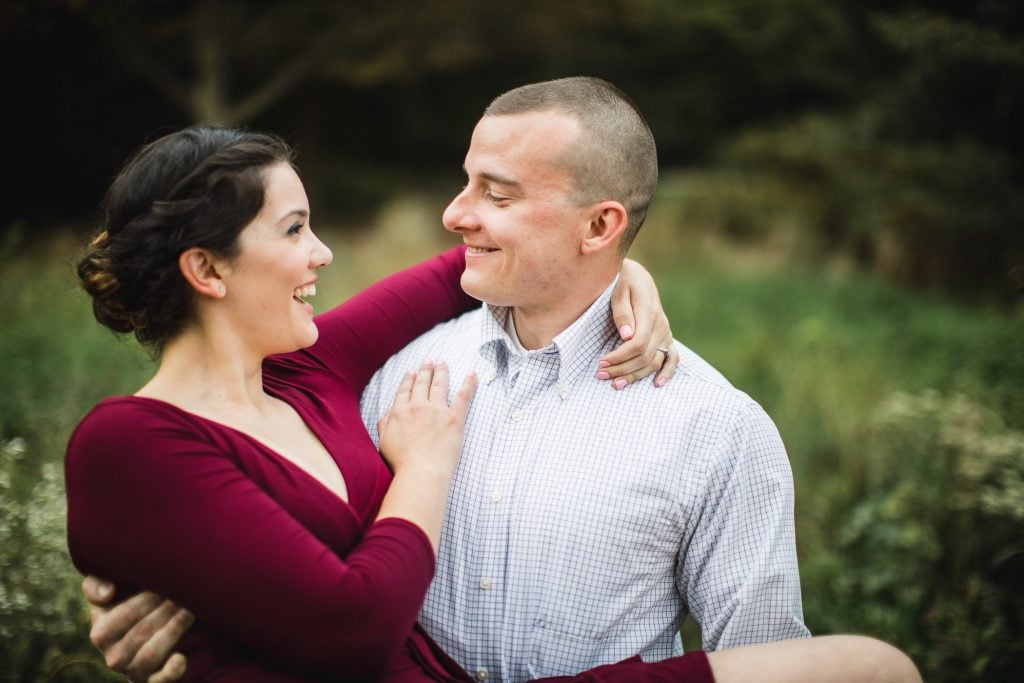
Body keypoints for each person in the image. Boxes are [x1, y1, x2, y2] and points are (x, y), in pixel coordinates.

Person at [75, 84, 922, 683]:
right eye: (296, 228)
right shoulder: (375, 378)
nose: (453, 212)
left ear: (602, 226)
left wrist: (628, 270)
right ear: (206, 268)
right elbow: (306, 597)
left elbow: (758, 655)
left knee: (871, 670)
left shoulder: (712, 424)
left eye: (495, 191)